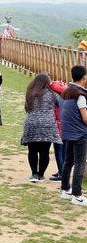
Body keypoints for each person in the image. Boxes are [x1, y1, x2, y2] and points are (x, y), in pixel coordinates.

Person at [20, 73, 62, 182]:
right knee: (45, 152)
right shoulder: (52, 94)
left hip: (31, 124)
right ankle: (41, 174)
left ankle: (34, 174)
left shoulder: (30, 93)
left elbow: (27, 108)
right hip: (47, 126)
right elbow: (62, 103)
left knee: (32, 151)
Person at [59, 65, 87, 206]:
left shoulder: (66, 91)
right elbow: (85, 118)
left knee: (68, 161)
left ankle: (65, 190)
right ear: (84, 77)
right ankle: (77, 195)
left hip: (67, 132)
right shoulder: (80, 95)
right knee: (80, 163)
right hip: (80, 133)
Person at [49, 80, 67, 182]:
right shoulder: (65, 100)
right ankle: (61, 171)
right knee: (63, 152)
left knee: (58, 153)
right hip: (65, 129)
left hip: (57, 129)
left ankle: (62, 174)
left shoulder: (55, 102)